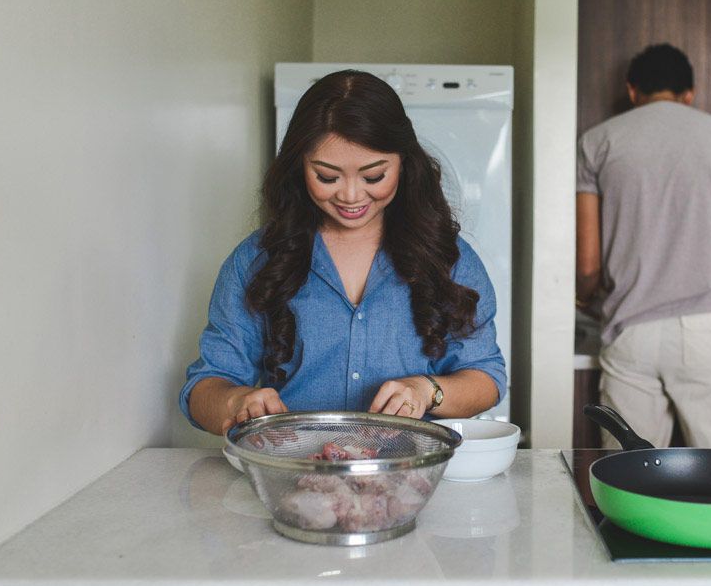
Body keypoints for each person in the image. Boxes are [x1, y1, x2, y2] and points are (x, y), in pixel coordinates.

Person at [179, 70, 507, 435]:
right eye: (327, 177)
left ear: (403, 162)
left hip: (412, 473)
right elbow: (204, 388)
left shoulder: (450, 259)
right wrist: (236, 401)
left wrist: (426, 390)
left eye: (373, 177)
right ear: (300, 166)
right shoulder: (254, 260)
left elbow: (487, 378)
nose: (351, 196)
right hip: (294, 473)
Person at [575, 43, 711, 449]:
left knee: (629, 481)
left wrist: (584, 298)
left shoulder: (597, 141)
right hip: (710, 330)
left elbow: (588, 264)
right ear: (689, 93)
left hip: (631, 330)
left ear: (632, 90)